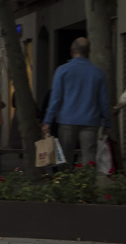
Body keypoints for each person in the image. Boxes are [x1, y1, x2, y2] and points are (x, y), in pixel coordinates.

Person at [42, 37, 109, 170]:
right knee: (89, 158)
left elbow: (55, 99)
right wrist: (107, 123)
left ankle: (66, 186)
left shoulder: (62, 71)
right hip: (90, 121)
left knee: (65, 158)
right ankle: (86, 187)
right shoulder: (98, 73)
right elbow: (104, 102)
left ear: (72, 50)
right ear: (89, 51)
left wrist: (47, 121)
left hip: (67, 120)